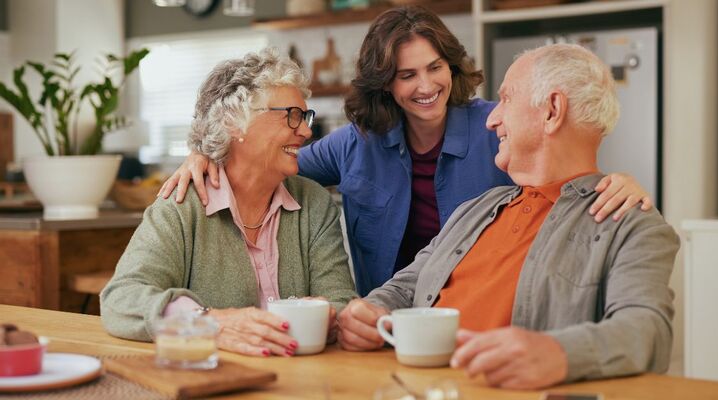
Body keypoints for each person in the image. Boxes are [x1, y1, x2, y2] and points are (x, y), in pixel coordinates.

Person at [158, 6, 653, 297]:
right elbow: (269, 163)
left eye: (435, 68)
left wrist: (616, 182)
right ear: (385, 84)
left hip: (483, 313)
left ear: (452, 68)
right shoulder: (358, 141)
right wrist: (208, 157)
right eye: (406, 74)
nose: (426, 86)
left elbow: (563, 172)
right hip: (389, 316)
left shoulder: (494, 126)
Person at [337, 43, 679, 389]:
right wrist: (369, 313)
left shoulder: (630, 224)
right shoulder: (476, 209)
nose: (491, 118)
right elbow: (404, 288)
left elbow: (647, 330)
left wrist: (559, 353)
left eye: (506, 99)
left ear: (552, 110)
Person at [101, 48, 357, 357]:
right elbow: (122, 298)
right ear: (234, 122)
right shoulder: (183, 204)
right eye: (292, 115)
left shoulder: (314, 203)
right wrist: (208, 322)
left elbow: (340, 301)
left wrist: (329, 315)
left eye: (305, 117)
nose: (304, 130)